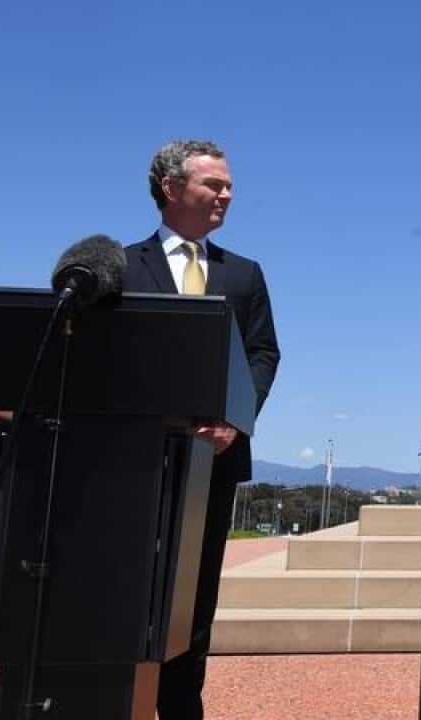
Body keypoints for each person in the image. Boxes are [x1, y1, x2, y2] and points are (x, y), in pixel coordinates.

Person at [122, 139, 280, 719]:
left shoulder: (243, 274)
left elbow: (264, 353)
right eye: (215, 184)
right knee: (130, 593)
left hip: (211, 465)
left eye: (229, 186)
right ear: (171, 188)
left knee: (193, 605)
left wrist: (236, 422)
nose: (227, 195)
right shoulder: (120, 265)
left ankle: (183, 709)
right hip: (131, 463)